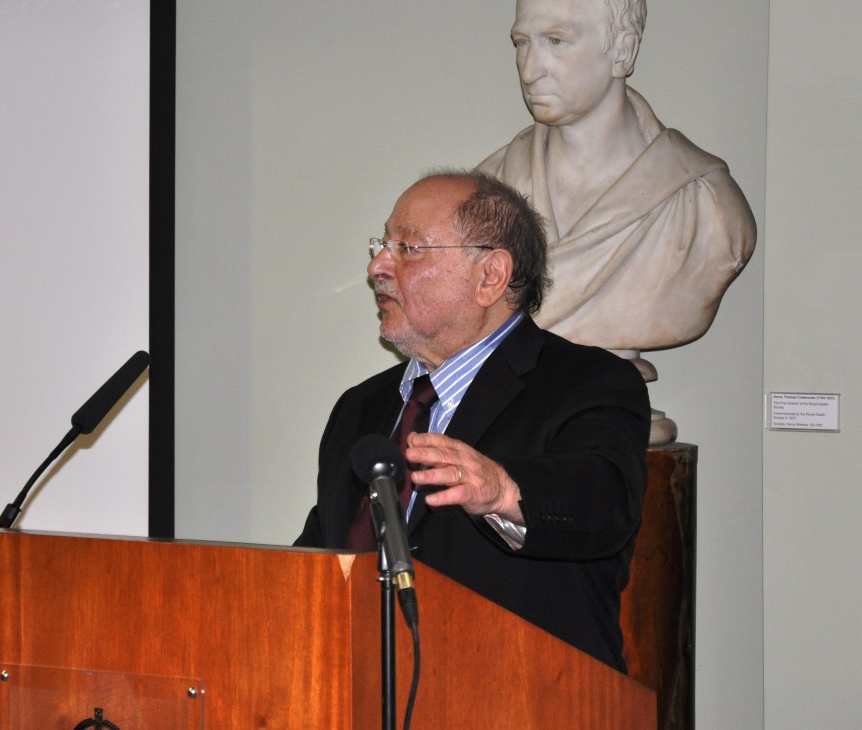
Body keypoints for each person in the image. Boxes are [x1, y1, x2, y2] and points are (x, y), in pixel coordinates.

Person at [294, 170, 650, 672]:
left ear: (490, 277)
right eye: (382, 245)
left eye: (408, 248)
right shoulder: (360, 408)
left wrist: (504, 490)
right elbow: (323, 555)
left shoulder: (587, 382)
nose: (377, 266)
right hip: (360, 690)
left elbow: (605, 503)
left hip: (525, 692)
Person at [477, 0, 756, 352]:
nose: (530, 70)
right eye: (522, 42)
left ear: (624, 49)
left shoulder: (707, 206)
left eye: (556, 40)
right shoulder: (485, 194)